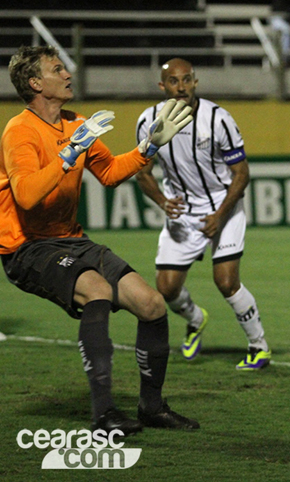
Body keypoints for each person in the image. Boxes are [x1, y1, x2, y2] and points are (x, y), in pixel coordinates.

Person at [1, 45, 198, 433]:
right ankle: (104, 414)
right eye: (57, 69)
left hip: (72, 240)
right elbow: (26, 194)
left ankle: (151, 406)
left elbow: (109, 173)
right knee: (98, 292)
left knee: (152, 304)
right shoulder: (18, 130)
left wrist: (149, 147)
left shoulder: (78, 124)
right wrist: (70, 152)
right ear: (36, 83)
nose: (68, 73)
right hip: (27, 247)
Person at [135, 58, 271, 371]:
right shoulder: (148, 121)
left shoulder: (218, 119)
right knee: (166, 289)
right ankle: (196, 319)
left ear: (195, 82)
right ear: (162, 86)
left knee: (225, 281)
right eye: (173, 81)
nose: (180, 87)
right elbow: (142, 172)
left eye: (186, 80)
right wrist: (162, 201)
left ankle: (259, 347)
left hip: (225, 206)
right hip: (183, 211)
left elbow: (241, 174)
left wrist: (220, 215)